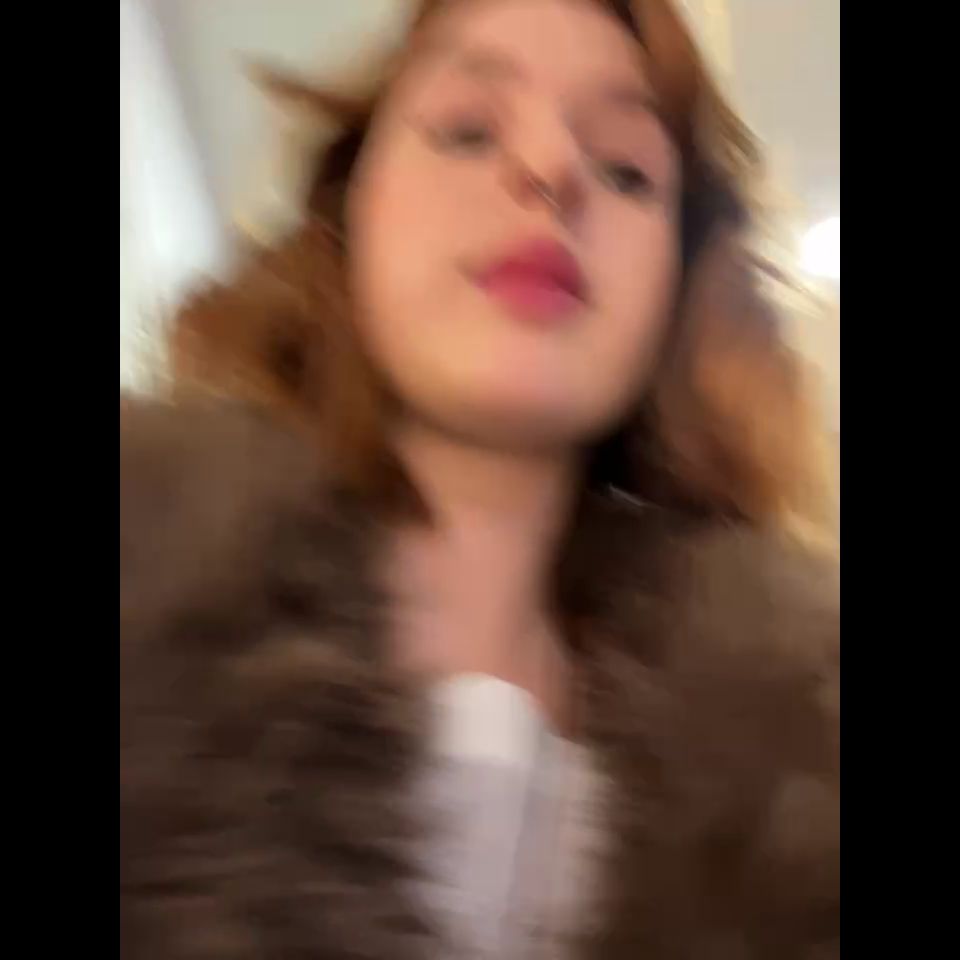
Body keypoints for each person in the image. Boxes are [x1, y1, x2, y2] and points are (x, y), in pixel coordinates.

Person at [119, 0, 840, 957]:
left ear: (676, 288)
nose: (549, 170)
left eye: (625, 170)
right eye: (466, 130)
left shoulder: (802, 758)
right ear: (346, 211)